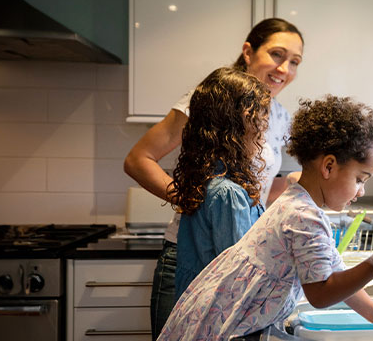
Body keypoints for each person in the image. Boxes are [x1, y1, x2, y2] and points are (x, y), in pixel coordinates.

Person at [158, 96, 373, 340]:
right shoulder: (304, 215)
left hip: (219, 322)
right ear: (329, 167)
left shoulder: (298, 202)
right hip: (227, 330)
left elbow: (334, 270)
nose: (361, 191)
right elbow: (321, 293)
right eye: (360, 179)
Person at [123, 18, 304, 339]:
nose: (284, 69)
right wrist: (198, 200)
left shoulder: (278, 114)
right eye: (277, 54)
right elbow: (138, 159)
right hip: (193, 252)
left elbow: (260, 191)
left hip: (235, 250)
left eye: (295, 62)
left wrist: (298, 186)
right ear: (248, 51)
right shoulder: (209, 100)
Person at [168, 66, 271, 297]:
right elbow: (240, 276)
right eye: (260, 124)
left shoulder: (204, 180)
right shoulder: (228, 194)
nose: (263, 134)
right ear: (235, 129)